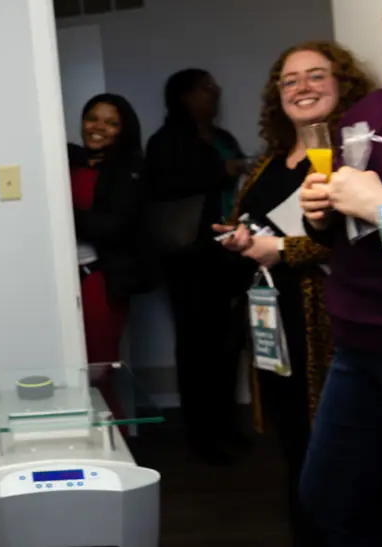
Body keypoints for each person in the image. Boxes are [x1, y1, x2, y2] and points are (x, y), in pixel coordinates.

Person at [212, 41, 375, 547]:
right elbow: (252, 222)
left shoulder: (356, 155)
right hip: (274, 329)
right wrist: (241, 238)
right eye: (289, 80)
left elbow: (361, 237)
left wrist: (281, 249)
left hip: (332, 327)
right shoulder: (268, 164)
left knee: (341, 464)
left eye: (316, 75)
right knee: (296, 451)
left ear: (342, 83)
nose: (302, 87)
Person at [297, 0, 382, 547]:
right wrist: (319, 215)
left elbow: (377, 210)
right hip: (357, 346)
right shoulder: (366, 111)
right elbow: (346, 230)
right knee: (330, 500)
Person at [145, 68, 248, 463]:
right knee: (196, 347)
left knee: (229, 344)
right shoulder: (166, 141)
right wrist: (221, 171)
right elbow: (161, 188)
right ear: (185, 96)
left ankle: (227, 425)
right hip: (188, 259)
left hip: (231, 253)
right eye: (206, 87)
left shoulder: (222, 138)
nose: (215, 91)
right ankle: (202, 436)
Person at [67, 94, 146, 367]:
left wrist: (65, 216)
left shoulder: (130, 170)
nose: (98, 127)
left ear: (123, 130)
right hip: (62, 277)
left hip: (100, 278)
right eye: (92, 119)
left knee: (98, 364)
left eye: (111, 123)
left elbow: (115, 226)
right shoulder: (66, 159)